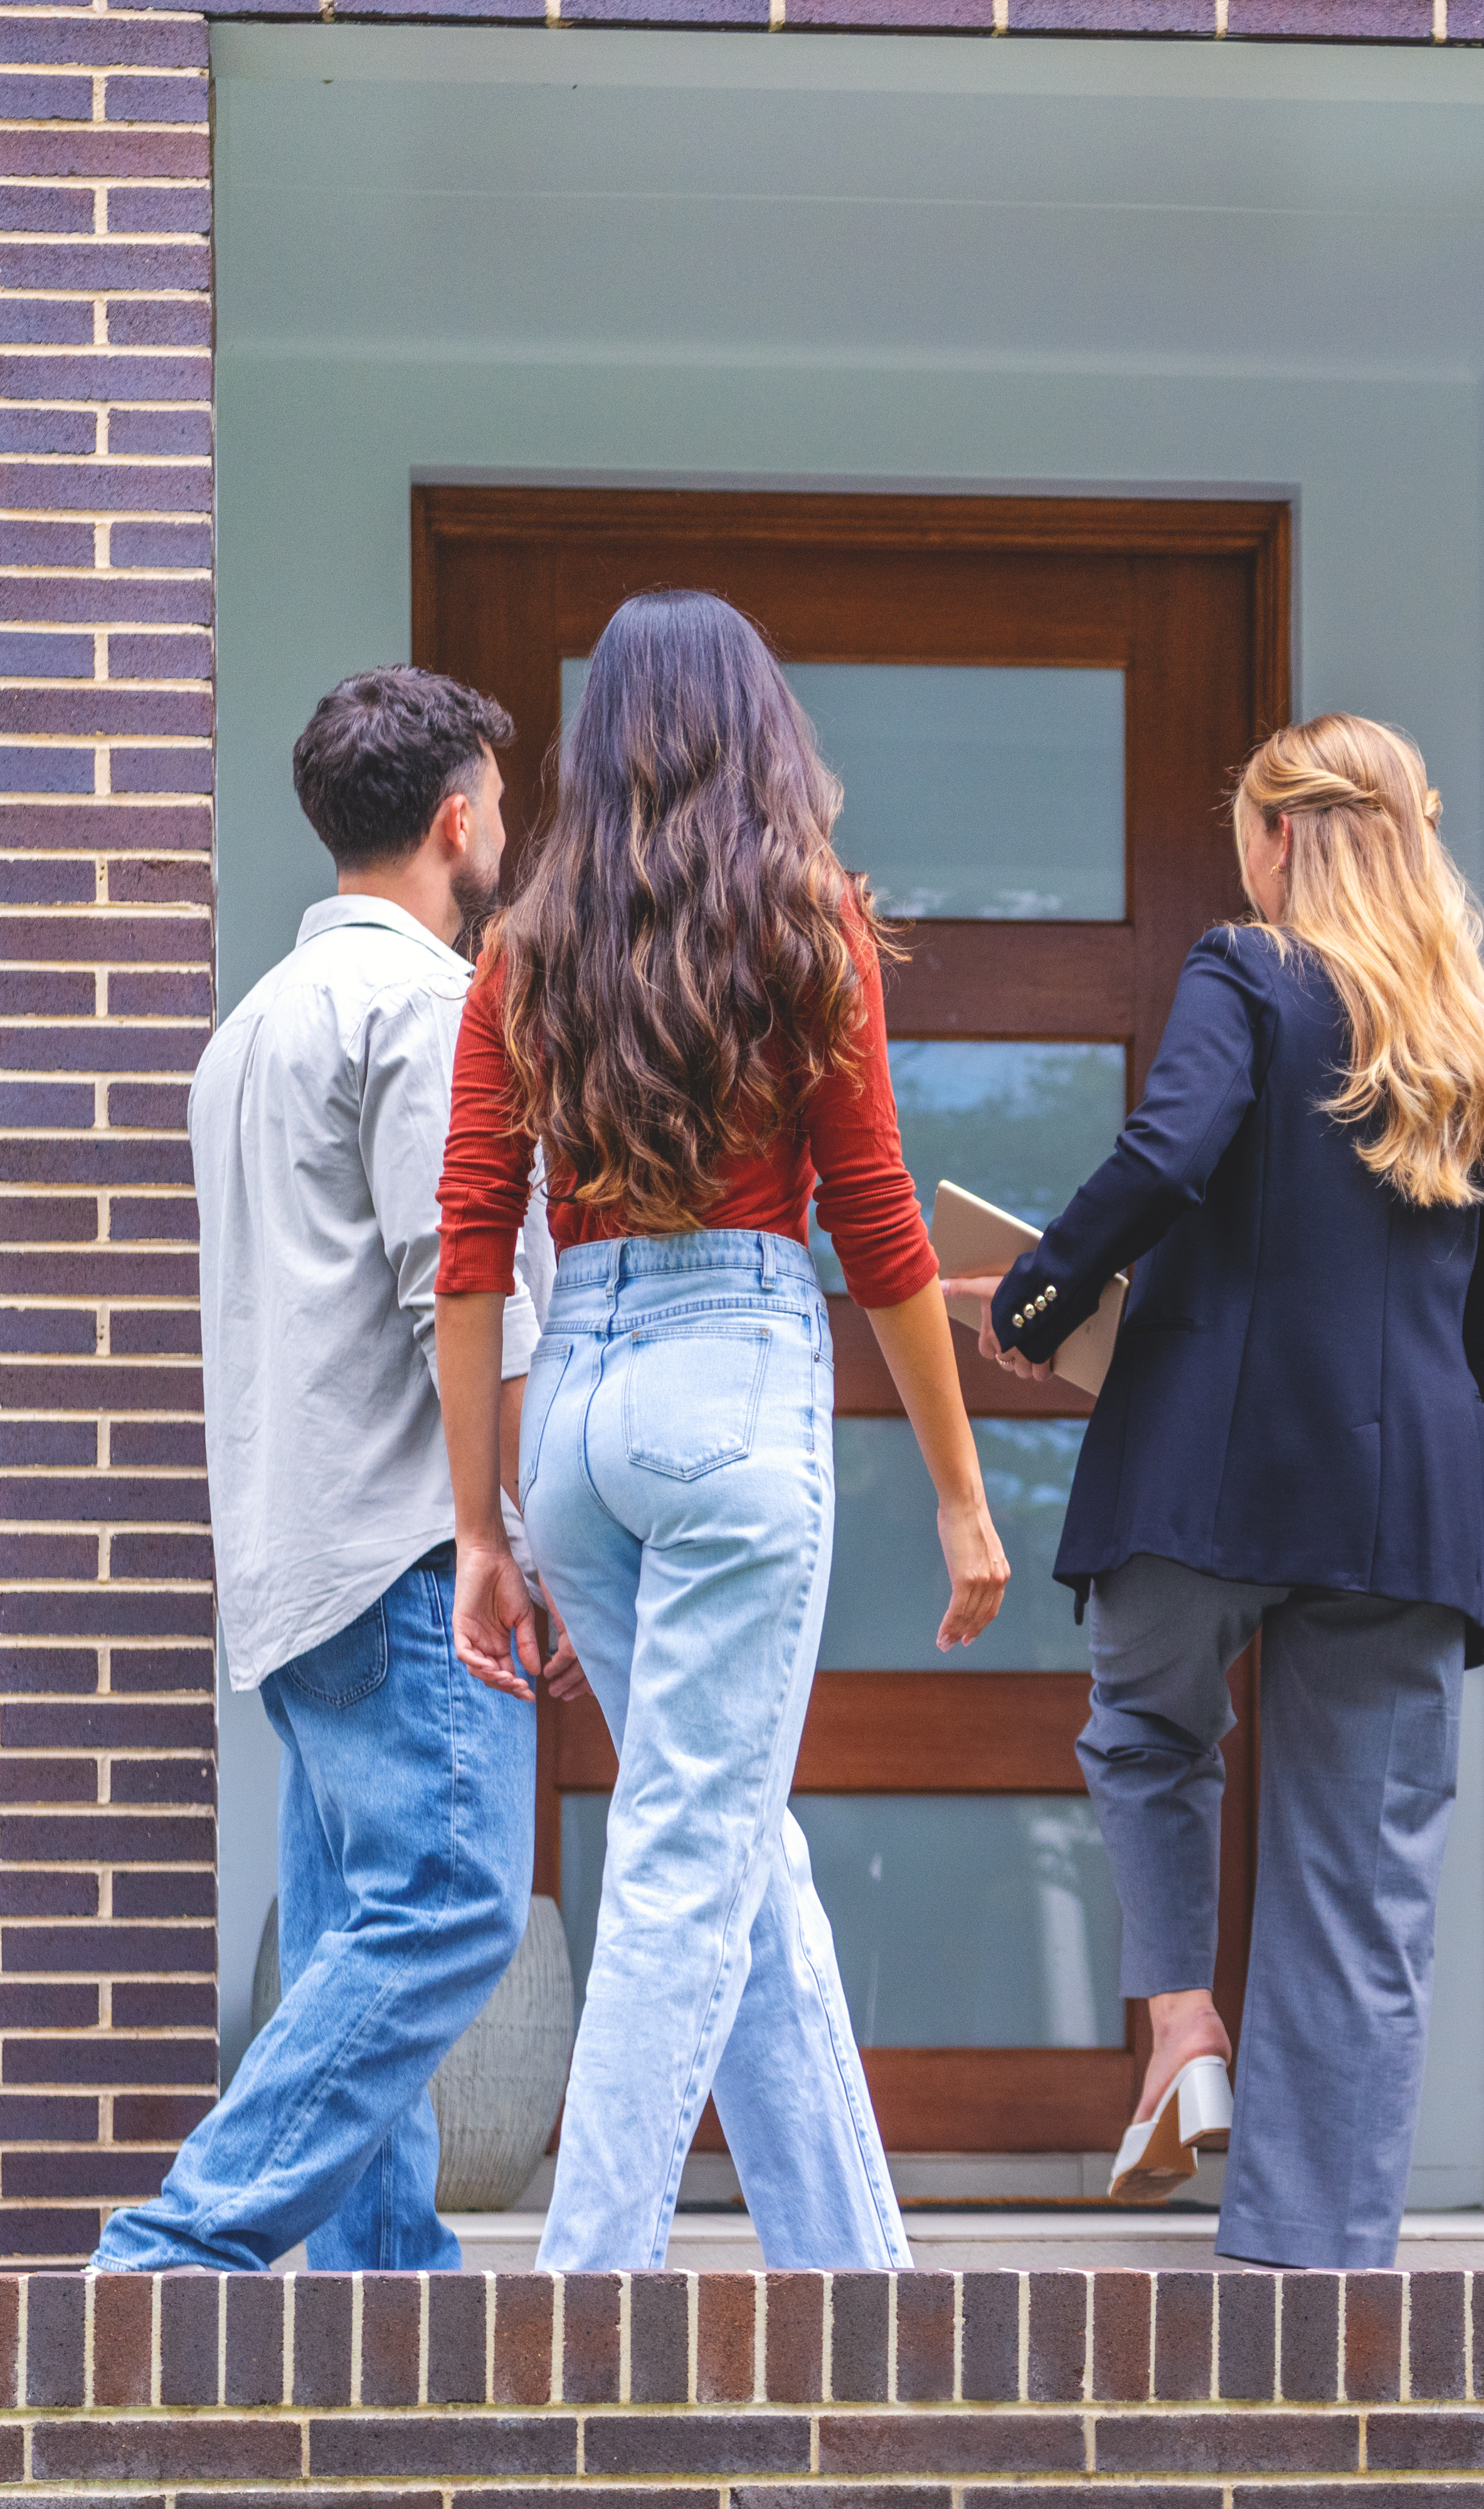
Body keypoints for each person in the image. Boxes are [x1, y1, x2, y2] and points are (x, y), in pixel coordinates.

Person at [433, 588, 1010, 2273]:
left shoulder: (522, 952)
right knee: (695, 1858)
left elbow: (473, 1247)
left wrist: (484, 1527)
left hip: (585, 1417)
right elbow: (883, 1224)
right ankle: (579, 2311)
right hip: (734, 1385)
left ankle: (858, 2295)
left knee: (733, 1844)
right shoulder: (799, 922)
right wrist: (966, 1504)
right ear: (762, 732)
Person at [948, 711, 1484, 2271]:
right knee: (1366, 1892)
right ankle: (1313, 2264)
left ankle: (1182, 2031)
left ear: (1280, 841)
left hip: (1206, 1474)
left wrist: (1036, 1288)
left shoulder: (1250, 971)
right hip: (1405, 1501)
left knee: (1146, 1727)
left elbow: (1169, 1144)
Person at [98, 669, 549, 2272]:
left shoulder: (249, 1032)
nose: (505, 823)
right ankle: (176, 2249)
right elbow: (464, 1286)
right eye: (497, 797)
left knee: (363, 1936)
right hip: (409, 1549)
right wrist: (496, 1533)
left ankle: (385, 2311)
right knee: (453, 1906)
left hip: (293, 1568)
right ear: (453, 820)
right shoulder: (423, 1011)